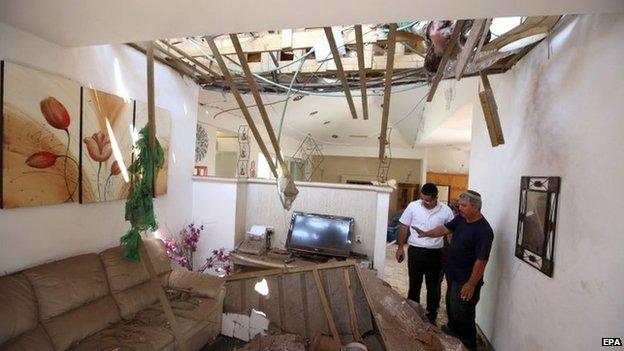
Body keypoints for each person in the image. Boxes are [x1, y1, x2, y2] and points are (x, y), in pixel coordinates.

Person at [412, 190, 494, 350]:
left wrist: (471, 284)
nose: (459, 208)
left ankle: (467, 343)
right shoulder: (461, 220)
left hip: (466, 279)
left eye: (464, 205)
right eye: (460, 204)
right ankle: (452, 330)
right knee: (451, 304)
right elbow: (444, 229)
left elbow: (481, 260)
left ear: (476, 207)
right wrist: (426, 234)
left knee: (463, 312)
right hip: (453, 274)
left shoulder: (484, 231)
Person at [395, 183, 454, 325]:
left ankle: (431, 315)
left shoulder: (446, 211)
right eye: (422, 199)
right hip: (415, 251)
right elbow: (404, 226)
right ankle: (412, 314)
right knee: (414, 284)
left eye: (428, 200)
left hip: (435, 254)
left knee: (433, 286)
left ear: (436, 198)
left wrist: (452, 251)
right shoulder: (413, 206)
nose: (424, 202)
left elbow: (450, 232)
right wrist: (400, 247)